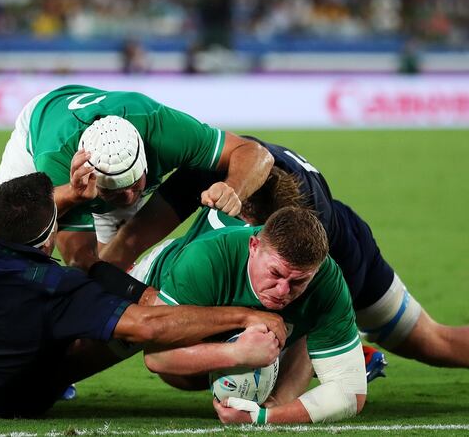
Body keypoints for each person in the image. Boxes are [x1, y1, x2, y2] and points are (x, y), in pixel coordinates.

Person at [0, 173, 287, 418]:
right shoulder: (56, 287)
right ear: (47, 241)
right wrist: (242, 317)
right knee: (122, 335)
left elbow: (7, 217)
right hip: (8, 402)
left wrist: (74, 193)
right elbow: (148, 324)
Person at [193, 137, 469, 373]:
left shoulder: (305, 238)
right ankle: (349, 352)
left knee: (432, 342)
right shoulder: (221, 158)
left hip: (343, 259)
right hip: (344, 232)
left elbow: (297, 301)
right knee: (435, 341)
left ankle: (343, 351)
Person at [0, 84, 273, 269]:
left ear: (146, 164)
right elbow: (79, 259)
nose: (126, 200)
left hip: (96, 147)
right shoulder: (56, 160)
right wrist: (72, 195)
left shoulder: (163, 130)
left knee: (114, 267)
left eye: (135, 187)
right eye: (113, 193)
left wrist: (233, 187)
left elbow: (255, 153)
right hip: (40, 127)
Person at [133, 206, 367, 424]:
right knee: (101, 351)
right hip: (148, 287)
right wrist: (237, 351)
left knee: (313, 328)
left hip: (250, 341)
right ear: (253, 246)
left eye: (298, 281)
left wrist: (266, 416)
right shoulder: (207, 259)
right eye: (275, 273)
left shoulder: (327, 281)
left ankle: (274, 398)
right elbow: (156, 357)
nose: (283, 290)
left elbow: (351, 394)